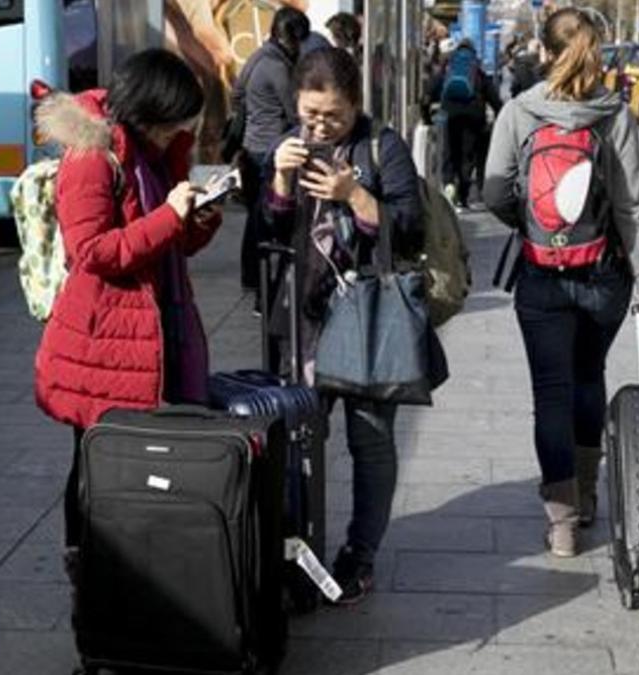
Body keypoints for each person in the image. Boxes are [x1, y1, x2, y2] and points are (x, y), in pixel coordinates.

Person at [483, 9, 639, 557]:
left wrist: (531, 223)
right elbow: (631, 204)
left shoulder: (520, 112)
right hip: (604, 275)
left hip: (541, 274)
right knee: (589, 379)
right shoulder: (612, 114)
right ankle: (589, 496)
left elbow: (495, 190)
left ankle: (562, 523)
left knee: (551, 394)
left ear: (544, 52)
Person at [32, 49, 223, 567]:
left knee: (138, 455)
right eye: (174, 122)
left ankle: (137, 556)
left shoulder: (155, 155)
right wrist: (167, 217)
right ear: (148, 112)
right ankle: (86, 559)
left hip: (152, 326)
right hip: (104, 339)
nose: (177, 132)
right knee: (99, 458)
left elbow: (171, 247)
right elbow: (91, 251)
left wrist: (198, 218)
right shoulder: (92, 155)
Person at [263, 47, 423, 603]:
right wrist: (280, 182)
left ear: (355, 102)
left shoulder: (384, 147)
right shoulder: (291, 145)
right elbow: (269, 232)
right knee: (298, 440)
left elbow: (410, 228)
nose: (319, 125)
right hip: (304, 319)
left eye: (332, 115)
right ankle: (297, 550)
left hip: (369, 317)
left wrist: (354, 194)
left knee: (370, 442)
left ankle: (360, 555)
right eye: (310, 114)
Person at [235, 7, 310, 294]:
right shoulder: (277, 67)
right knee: (264, 220)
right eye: (299, 39)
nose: (300, 46)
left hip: (252, 146)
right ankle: (259, 279)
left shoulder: (257, 58)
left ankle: (251, 277)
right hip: (269, 150)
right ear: (288, 36)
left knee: (254, 220)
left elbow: (237, 96)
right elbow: (294, 112)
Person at [430, 39, 502, 210]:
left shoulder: (449, 69)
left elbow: (432, 90)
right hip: (474, 117)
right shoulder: (477, 71)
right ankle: (463, 196)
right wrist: (498, 117)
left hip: (450, 115)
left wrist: (427, 112)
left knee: (449, 152)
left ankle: (448, 185)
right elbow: (494, 99)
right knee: (466, 156)